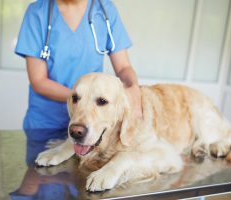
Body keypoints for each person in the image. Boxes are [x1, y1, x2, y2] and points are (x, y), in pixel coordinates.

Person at [15, 0, 142, 161]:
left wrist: (134, 91)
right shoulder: (38, 12)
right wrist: (84, 100)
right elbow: (39, 81)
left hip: (93, 124)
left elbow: (123, 67)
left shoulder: (105, 10)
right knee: (43, 178)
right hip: (46, 122)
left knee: (82, 182)